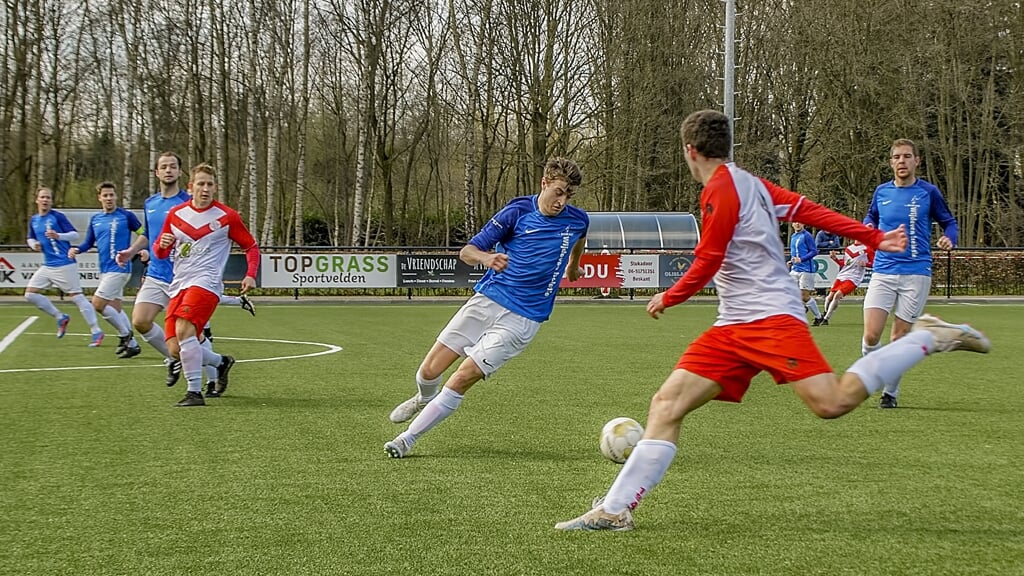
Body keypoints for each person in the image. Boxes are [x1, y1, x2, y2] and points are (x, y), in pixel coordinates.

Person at [553, 110, 990, 532]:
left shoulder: (723, 190)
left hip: (770, 319)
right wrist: (874, 236)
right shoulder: (750, 184)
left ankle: (926, 337)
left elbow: (710, 256)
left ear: (690, 151)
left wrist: (672, 294)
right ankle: (614, 510)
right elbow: (811, 211)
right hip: (733, 325)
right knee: (667, 404)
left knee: (832, 403)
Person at [384, 157, 589, 458]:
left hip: (524, 318)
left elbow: (580, 239)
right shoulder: (517, 211)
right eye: (558, 191)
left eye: (568, 195)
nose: (562, 201)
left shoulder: (578, 219)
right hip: (487, 300)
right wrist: (487, 259)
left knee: (462, 376)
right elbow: (467, 251)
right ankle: (422, 397)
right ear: (544, 183)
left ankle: (407, 439)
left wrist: (574, 266)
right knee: (429, 371)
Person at [152, 163, 260, 407]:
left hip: (206, 283)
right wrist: (163, 244)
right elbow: (159, 251)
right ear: (190, 187)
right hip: (179, 284)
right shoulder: (176, 214)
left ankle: (194, 392)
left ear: (215, 188)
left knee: (184, 329)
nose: (205, 188)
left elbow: (251, 247)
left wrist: (250, 274)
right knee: (173, 348)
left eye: (210, 184)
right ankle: (221, 362)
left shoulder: (227, 216)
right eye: (200, 183)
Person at [862, 138, 958, 409]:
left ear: (917, 161)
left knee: (898, 338)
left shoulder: (928, 192)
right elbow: (870, 218)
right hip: (883, 270)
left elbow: (949, 222)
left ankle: (889, 393)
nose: (901, 162)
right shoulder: (881, 192)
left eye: (906, 156)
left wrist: (950, 238)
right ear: (891, 162)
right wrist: (867, 228)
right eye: (896, 157)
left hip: (916, 272)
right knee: (871, 336)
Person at [68, 182, 145, 357]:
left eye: (112, 195)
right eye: (105, 195)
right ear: (100, 198)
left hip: (120, 267)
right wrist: (77, 249)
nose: (109, 198)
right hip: (105, 269)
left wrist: (140, 249)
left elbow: (143, 233)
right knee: (115, 307)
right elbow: (88, 242)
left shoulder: (126, 216)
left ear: (116, 196)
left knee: (98, 303)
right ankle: (132, 345)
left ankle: (125, 335)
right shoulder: (96, 219)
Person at [24, 187, 105, 345]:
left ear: (51, 201)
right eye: (43, 197)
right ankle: (60, 317)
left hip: (64, 264)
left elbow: (74, 234)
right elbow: (30, 237)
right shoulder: (34, 220)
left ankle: (96, 331)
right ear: (37, 200)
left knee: (77, 297)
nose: (46, 200)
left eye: (48, 197)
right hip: (47, 265)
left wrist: (58, 235)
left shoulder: (58, 217)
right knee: (30, 294)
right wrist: (34, 245)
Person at [820, 239, 874, 325]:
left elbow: (874, 263)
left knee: (837, 295)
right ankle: (825, 313)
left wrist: (866, 264)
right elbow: (845, 264)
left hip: (854, 278)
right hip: (842, 275)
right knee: (829, 298)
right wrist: (835, 259)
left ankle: (826, 319)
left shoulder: (868, 249)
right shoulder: (849, 248)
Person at [788, 222, 823, 325]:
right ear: (792, 224)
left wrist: (802, 259)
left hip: (806, 269)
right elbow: (795, 252)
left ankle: (818, 317)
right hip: (795, 269)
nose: (798, 224)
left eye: (800, 222)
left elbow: (814, 251)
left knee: (804, 296)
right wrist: (792, 260)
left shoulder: (807, 236)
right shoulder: (793, 236)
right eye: (795, 222)